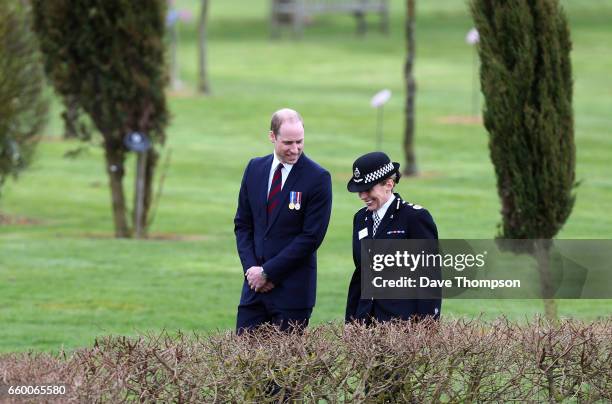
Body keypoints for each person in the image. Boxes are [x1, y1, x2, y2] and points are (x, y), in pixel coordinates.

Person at [234, 108, 332, 333]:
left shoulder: (318, 178)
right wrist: (252, 271)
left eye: (300, 141)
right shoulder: (254, 169)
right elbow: (243, 224)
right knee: (243, 363)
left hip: (292, 294)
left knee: (286, 368)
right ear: (272, 137)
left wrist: (268, 272)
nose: (295, 149)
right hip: (254, 290)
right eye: (288, 143)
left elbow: (311, 237)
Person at [345, 151, 441, 323]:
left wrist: (427, 326)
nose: (362, 196)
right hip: (365, 323)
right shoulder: (360, 219)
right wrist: (351, 321)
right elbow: (361, 275)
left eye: (367, 189)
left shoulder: (414, 218)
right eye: (359, 191)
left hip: (402, 326)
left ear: (388, 184)